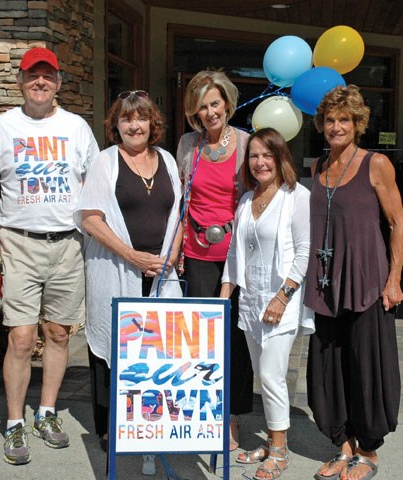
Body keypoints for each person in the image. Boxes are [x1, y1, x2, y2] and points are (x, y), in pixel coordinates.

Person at [0, 47, 99, 465]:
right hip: (19, 242)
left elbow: (94, 185)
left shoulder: (77, 127)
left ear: (58, 82)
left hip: (67, 243)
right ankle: (15, 421)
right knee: (20, 338)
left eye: (48, 76)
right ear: (20, 80)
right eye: (33, 75)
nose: (40, 82)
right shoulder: (1, 127)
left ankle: (47, 413)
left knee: (59, 334)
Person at [76, 90, 183, 476]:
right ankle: (112, 430)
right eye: (125, 119)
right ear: (115, 125)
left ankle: (152, 425)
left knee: (157, 353)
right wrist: (132, 256)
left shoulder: (168, 160)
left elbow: (179, 213)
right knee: (113, 352)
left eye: (140, 118)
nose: (133, 125)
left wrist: (171, 255)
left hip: (161, 272)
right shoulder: (105, 162)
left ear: (153, 123)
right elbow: (89, 218)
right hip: (117, 270)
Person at [305, 85, 403, 480]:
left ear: (357, 123)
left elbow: (398, 224)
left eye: (343, 119)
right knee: (329, 367)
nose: (336, 126)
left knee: (368, 367)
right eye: (330, 120)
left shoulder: (375, 164)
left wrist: (393, 279)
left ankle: (368, 452)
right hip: (327, 283)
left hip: (367, 281)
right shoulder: (317, 166)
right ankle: (343, 446)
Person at [220, 128, 313, 480]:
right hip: (250, 302)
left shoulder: (296, 196)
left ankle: (279, 450)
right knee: (262, 376)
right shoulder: (247, 200)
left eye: (266, 155)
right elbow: (234, 253)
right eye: (254, 155)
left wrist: (282, 296)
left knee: (273, 376)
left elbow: (304, 251)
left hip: (280, 302)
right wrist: (223, 299)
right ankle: (273, 441)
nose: (260, 162)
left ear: (280, 158)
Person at [176, 70, 254, 451]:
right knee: (202, 340)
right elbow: (181, 202)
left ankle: (233, 418)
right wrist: (176, 249)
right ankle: (203, 414)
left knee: (237, 339)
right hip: (197, 254)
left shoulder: (246, 142)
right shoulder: (187, 145)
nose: (210, 112)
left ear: (227, 103)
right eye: (202, 106)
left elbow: (259, 199)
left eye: (215, 103)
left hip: (237, 256)